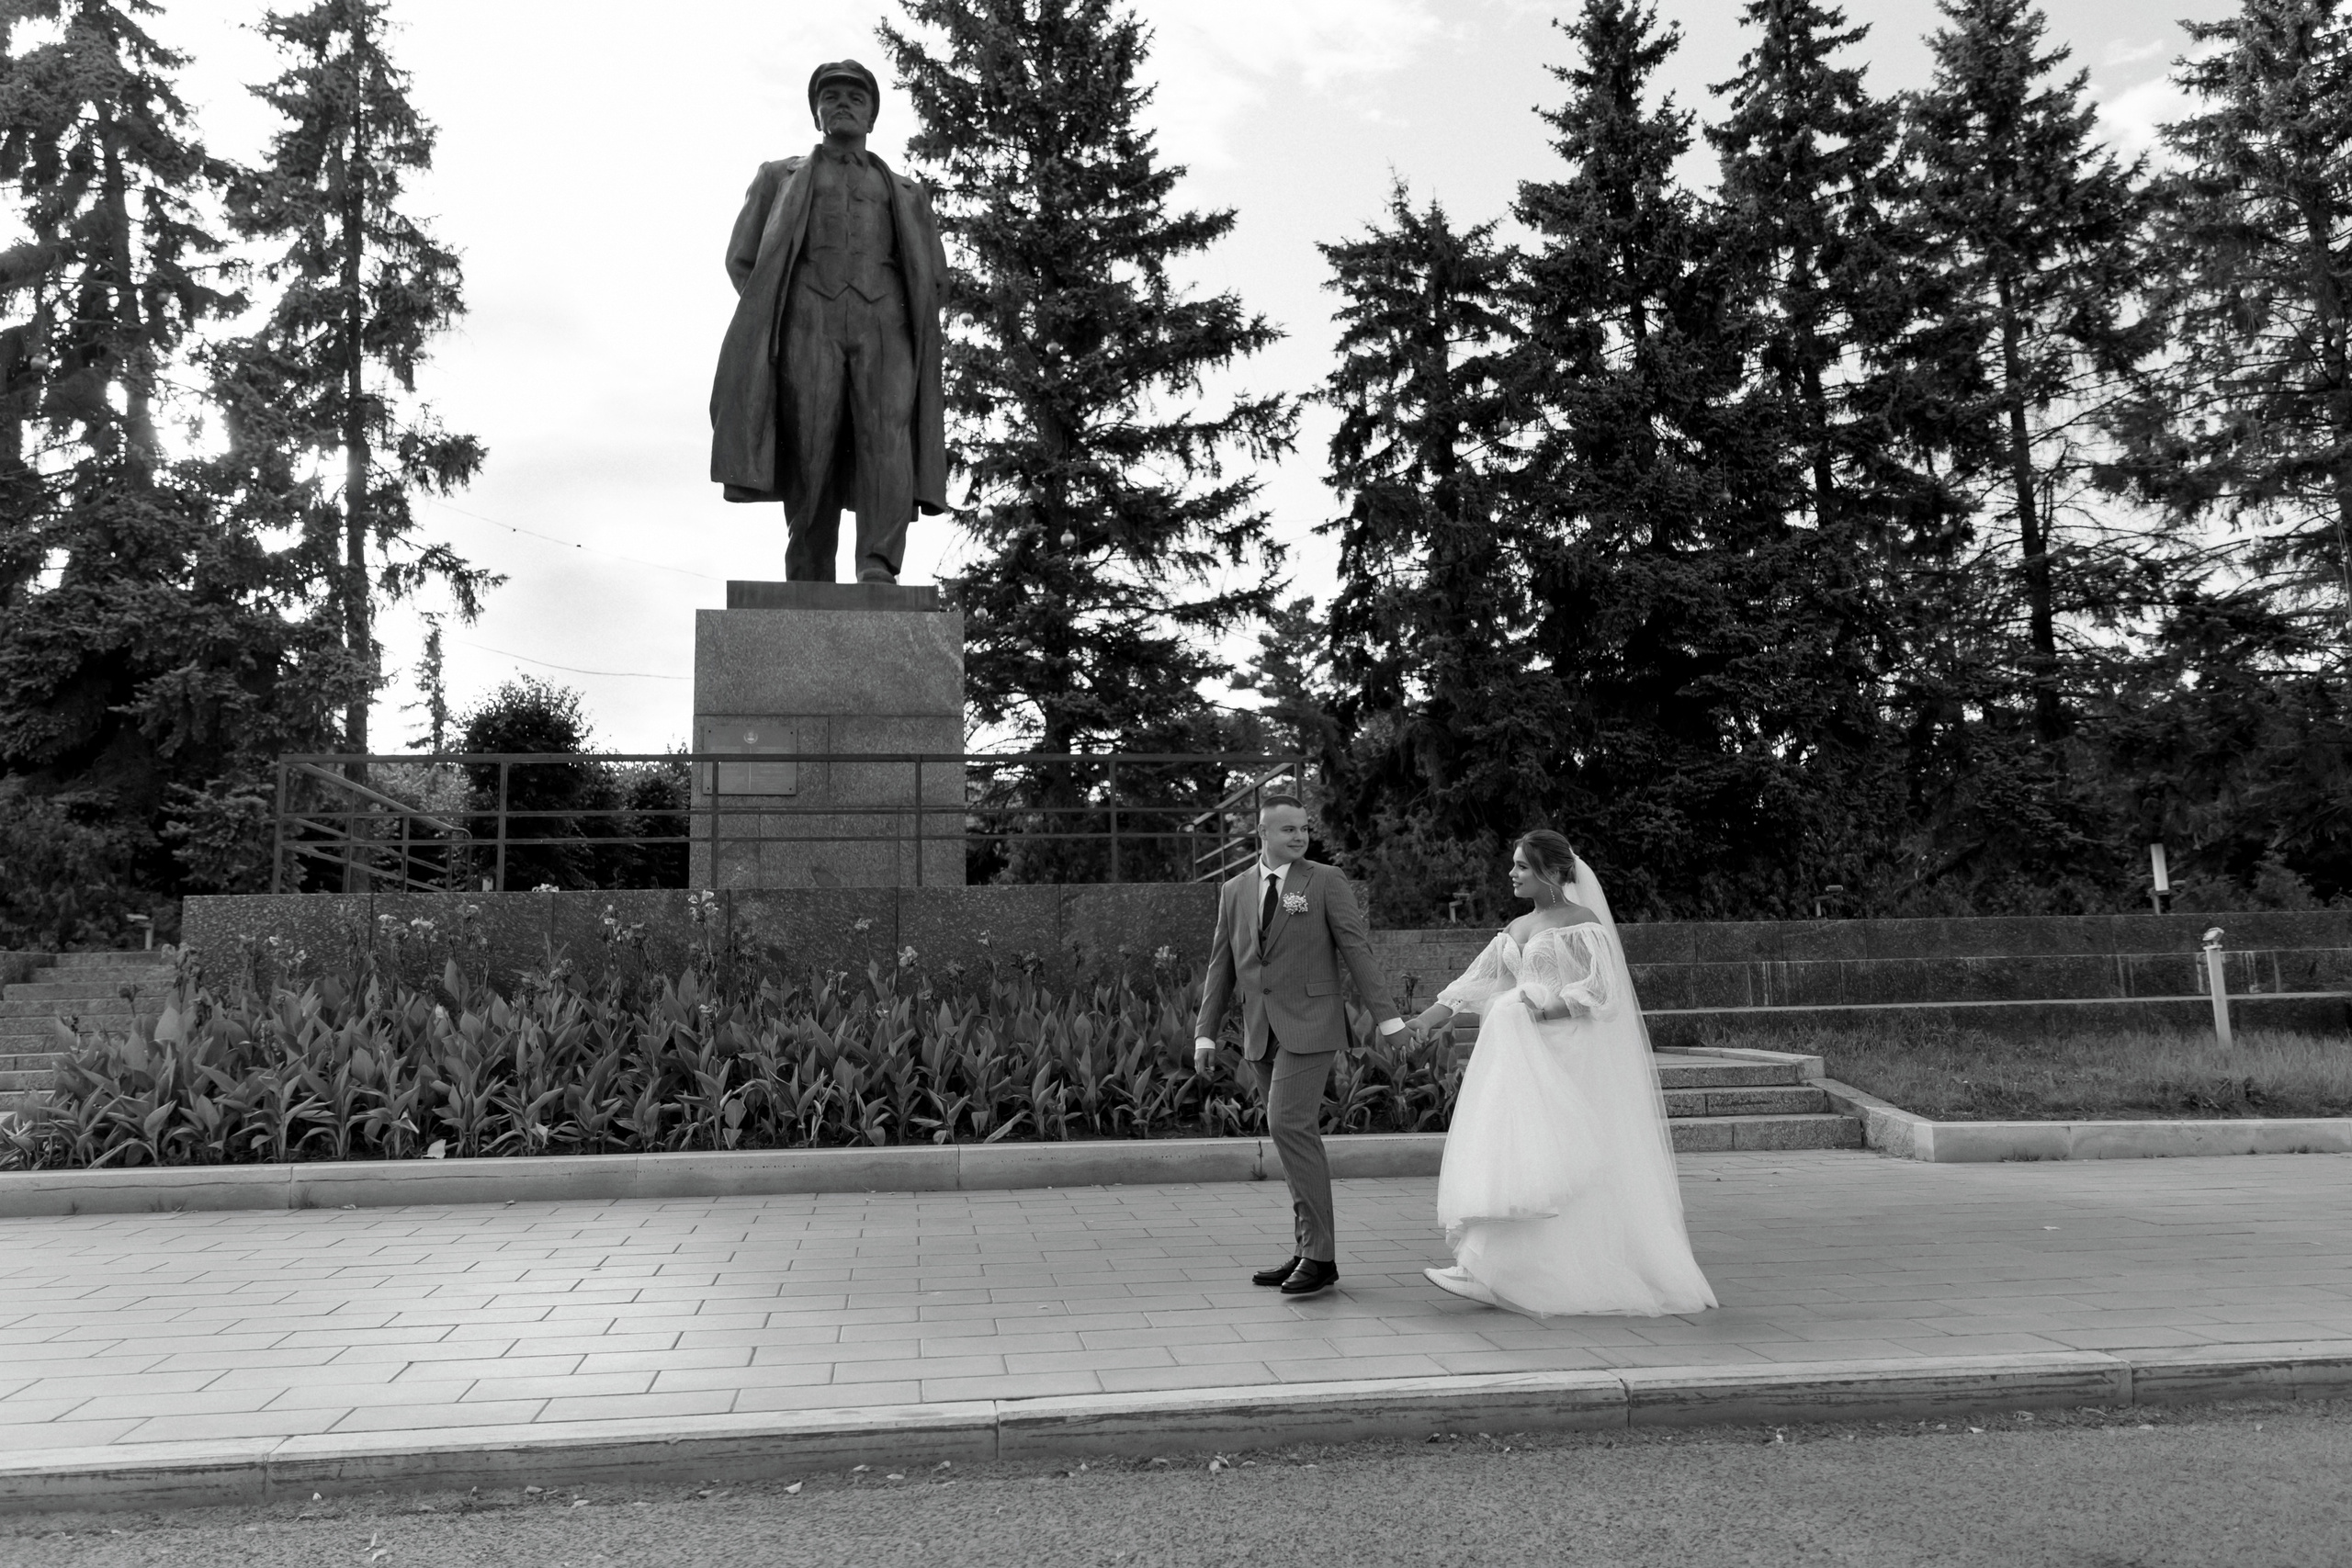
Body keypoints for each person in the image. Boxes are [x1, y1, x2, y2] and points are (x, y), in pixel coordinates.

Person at [1404, 829, 1715, 1318]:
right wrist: (1425, 1020)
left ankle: (1539, 1273)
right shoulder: (1516, 925)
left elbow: (1603, 990)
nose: (1512, 873)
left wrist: (1541, 1009)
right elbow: (1479, 980)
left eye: (1523, 866)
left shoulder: (1582, 922)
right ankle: (1488, 1268)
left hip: (1558, 1053)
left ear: (1553, 872)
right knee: (1510, 1156)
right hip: (1511, 1059)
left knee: (1555, 1161)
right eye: (1514, 865)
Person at [707, 59, 949, 583]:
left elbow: (934, 277)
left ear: (872, 116)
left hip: (887, 327)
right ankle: (811, 565)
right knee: (809, 440)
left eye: (856, 97)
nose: (843, 103)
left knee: (888, 438)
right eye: (832, 95)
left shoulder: (908, 194)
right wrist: (779, 310)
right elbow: (743, 259)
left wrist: (904, 320)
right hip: (807, 322)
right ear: (817, 113)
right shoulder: (778, 176)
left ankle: (879, 563)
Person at [1193, 795, 1408, 1296]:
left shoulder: (1326, 881)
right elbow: (1220, 965)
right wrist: (1205, 1031)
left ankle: (1320, 1256)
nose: (1299, 837)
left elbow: (1357, 949)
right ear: (1261, 835)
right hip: (1260, 1028)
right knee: (1294, 1138)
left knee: (1287, 1124)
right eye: (1287, 830)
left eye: (1304, 829)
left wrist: (1390, 1020)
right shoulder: (1234, 889)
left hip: (1312, 1023)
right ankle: (1308, 1247)